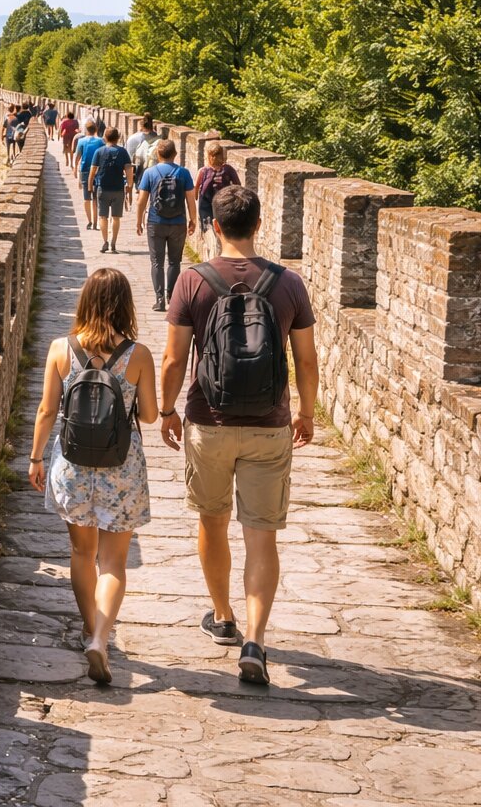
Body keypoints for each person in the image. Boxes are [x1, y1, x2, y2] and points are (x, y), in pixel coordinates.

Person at [159, 185, 318, 686]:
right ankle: (256, 639)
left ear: (214, 225)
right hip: (270, 427)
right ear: (259, 225)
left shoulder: (193, 281)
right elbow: (306, 360)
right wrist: (307, 412)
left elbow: (173, 358)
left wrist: (167, 410)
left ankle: (223, 616)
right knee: (262, 536)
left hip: (209, 421)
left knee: (212, 521)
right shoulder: (288, 283)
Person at [29, 267, 160, 685]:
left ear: (84, 301)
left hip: (71, 464)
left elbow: (47, 411)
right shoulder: (137, 355)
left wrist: (35, 459)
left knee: (81, 554)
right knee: (114, 562)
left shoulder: (60, 349)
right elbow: (151, 415)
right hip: (120, 468)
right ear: (126, 304)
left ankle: (90, 628)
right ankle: (101, 639)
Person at [135, 139, 196, 311]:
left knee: (156, 262)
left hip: (156, 222)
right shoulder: (183, 173)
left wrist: (139, 221)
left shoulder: (150, 172)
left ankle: (159, 299)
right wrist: (193, 220)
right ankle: (172, 298)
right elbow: (191, 199)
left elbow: (141, 201)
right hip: (178, 223)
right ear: (175, 154)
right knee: (175, 262)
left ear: (157, 154)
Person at [88, 127, 133, 253]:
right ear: (118, 138)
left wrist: (90, 186)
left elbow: (93, 170)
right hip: (118, 188)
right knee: (116, 217)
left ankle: (105, 241)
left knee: (103, 217)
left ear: (105, 138)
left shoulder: (99, 151)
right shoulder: (123, 152)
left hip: (103, 188)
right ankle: (113, 242)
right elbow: (129, 169)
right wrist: (129, 185)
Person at [196, 143, 241, 259]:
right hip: (218, 203)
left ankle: (213, 256)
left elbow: (196, 187)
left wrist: (195, 198)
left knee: (211, 229)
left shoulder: (205, 171)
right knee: (215, 229)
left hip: (211, 204)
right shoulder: (226, 170)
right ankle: (215, 254)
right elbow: (238, 185)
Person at [75, 119, 106, 231]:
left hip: (85, 171)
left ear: (86, 130)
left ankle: (89, 221)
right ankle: (95, 222)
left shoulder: (81, 141)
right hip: (98, 171)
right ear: (96, 129)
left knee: (86, 198)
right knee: (95, 199)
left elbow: (78, 157)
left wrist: (75, 170)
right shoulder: (101, 141)